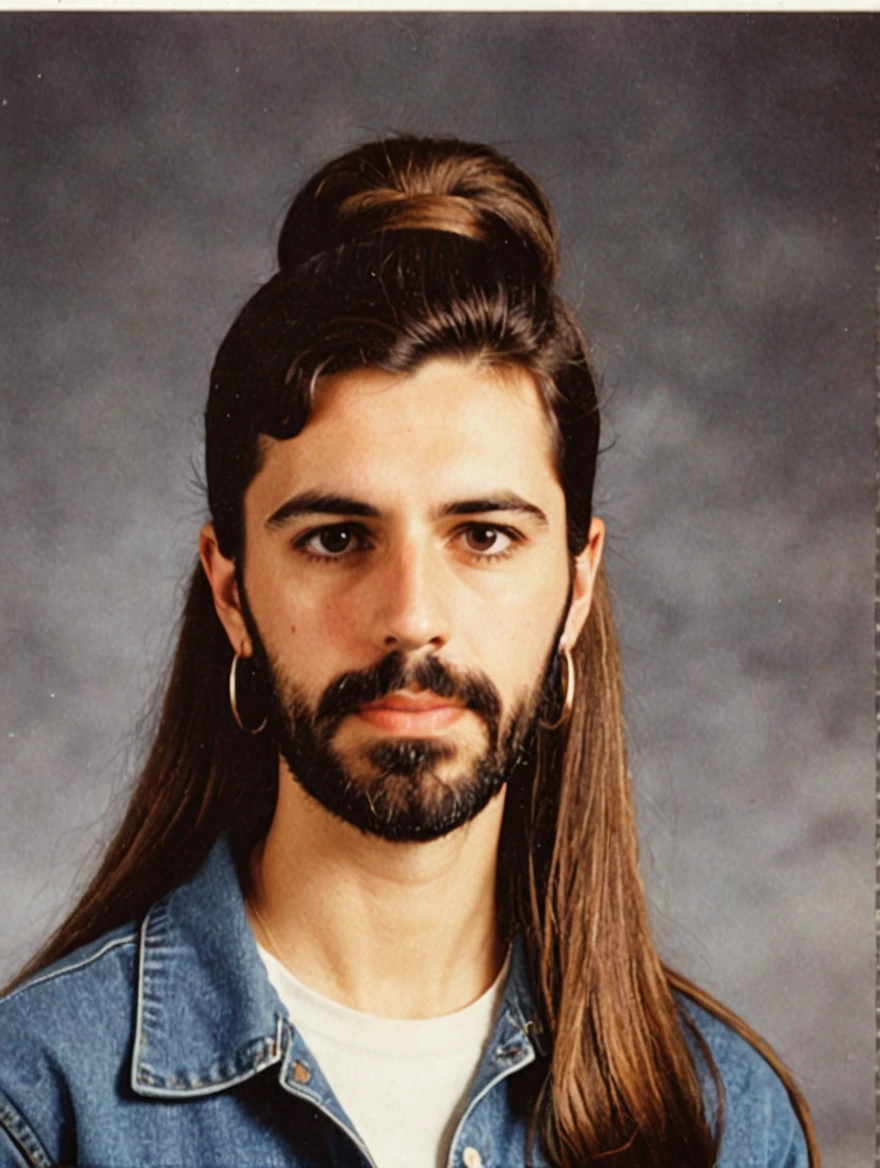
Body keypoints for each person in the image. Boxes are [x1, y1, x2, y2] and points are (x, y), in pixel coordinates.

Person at [0, 136, 817, 1168]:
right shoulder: (35, 1107)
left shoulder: (728, 1123)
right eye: (336, 537)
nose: (411, 616)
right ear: (231, 590)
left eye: (483, 535)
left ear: (574, 585)